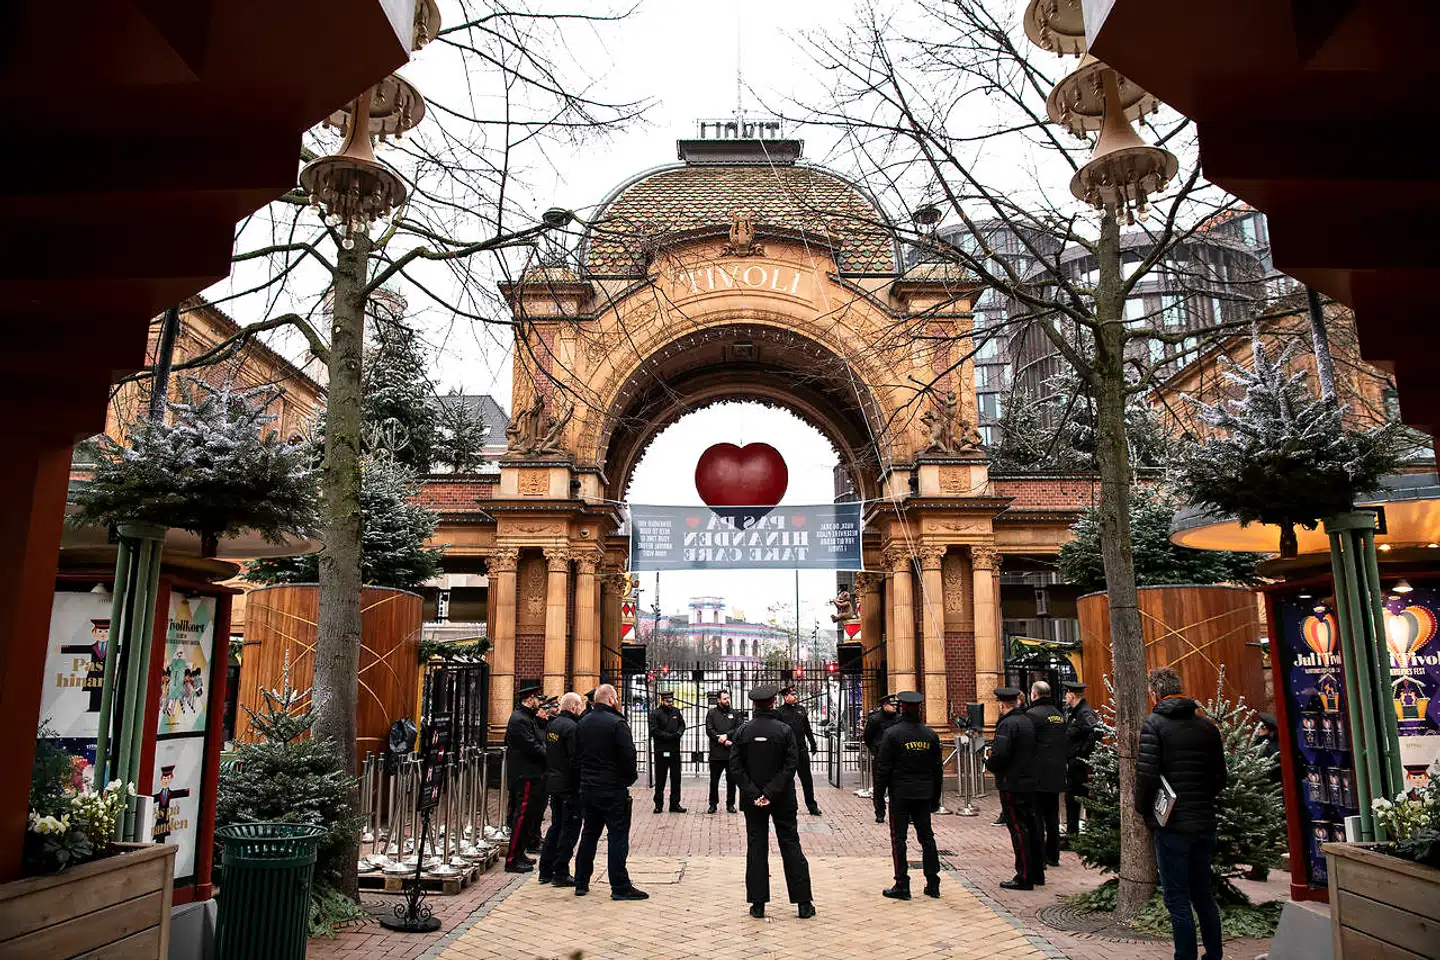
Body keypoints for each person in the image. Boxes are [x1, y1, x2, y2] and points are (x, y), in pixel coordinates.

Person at [1136, 667, 1227, 960]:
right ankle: (1214, 954)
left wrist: (1146, 811)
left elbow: (1147, 776)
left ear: (1154, 693)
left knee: (1176, 898)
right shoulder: (1206, 726)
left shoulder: (1154, 725)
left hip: (1172, 824)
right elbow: (1220, 777)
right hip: (1204, 820)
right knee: (1203, 893)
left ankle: (1184, 956)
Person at [729, 684, 815, 919]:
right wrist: (772, 791)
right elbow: (791, 765)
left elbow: (735, 767)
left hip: (753, 800)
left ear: (754, 705)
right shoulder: (784, 730)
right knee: (790, 845)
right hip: (783, 798)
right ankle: (803, 902)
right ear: (773, 703)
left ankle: (758, 903)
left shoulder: (743, 732)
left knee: (756, 847)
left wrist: (755, 793)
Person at [573, 684, 648, 900]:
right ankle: (620, 886)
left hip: (588, 787)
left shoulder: (583, 722)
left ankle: (581, 881)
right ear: (612, 700)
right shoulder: (617, 723)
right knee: (617, 836)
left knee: (589, 834)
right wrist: (627, 779)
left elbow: (576, 755)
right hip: (612, 789)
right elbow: (628, 756)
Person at [876, 691, 943, 900]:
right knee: (927, 837)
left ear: (901, 708)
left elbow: (883, 768)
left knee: (899, 839)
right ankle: (933, 882)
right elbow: (937, 770)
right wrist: (936, 797)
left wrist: (878, 795)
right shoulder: (930, 735)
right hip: (924, 793)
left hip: (901, 794)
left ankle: (902, 883)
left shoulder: (893, 734)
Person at [986, 686, 1044, 890]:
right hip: (1029, 781)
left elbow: (1000, 755)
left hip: (1012, 783)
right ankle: (1037, 872)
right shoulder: (1027, 721)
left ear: (1002, 704)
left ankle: (1024, 876)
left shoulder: (1007, 725)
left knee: (1019, 829)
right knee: (1032, 826)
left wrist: (989, 764)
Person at [537, 692, 584, 886]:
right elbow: (575, 759)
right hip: (568, 785)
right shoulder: (573, 728)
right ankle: (561, 870)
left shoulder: (553, 725)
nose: (581, 709)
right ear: (573, 707)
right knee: (569, 828)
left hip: (554, 782)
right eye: (580, 706)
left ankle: (545, 869)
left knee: (555, 826)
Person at [504, 682, 548, 872]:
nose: (539, 702)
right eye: (537, 698)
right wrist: (550, 755)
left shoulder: (527, 718)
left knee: (529, 815)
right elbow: (531, 746)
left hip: (532, 772)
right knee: (521, 816)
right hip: (524, 773)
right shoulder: (519, 719)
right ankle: (512, 858)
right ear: (530, 699)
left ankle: (520, 852)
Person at [1026, 681, 1067, 868]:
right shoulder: (1059, 715)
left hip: (1038, 773)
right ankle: (1054, 855)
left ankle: (1040, 857)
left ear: (1034, 695)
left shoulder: (1032, 715)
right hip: (1057, 772)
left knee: (1037, 817)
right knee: (1053, 816)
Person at [1062, 680, 1099, 846]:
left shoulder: (1084, 713)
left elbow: (1095, 733)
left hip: (1080, 765)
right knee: (1072, 799)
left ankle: (1080, 837)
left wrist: (1081, 754)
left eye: (1066, 694)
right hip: (1074, 763)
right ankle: (1073, 835)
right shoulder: (1075, 712)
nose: (1065, 697)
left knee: (1080, 799)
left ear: (1072, 695)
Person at [777, 684, 822, 816]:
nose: (795, 696)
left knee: (807, 780)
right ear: (785, 697)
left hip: (802, 750)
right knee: (787, 780)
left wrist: (813, 743)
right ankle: (789, 806)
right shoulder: (780, 712)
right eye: (792, 695)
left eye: (796, 694)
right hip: (787, 752)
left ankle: (812, 806)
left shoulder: (801, 710)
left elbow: (807, 728)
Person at [862, 695, 900, 823]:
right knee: (879, 788)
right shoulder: (875, 719)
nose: (895, 707)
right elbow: (867, 737)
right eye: (892, 705)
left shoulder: (899, 719)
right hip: (881, 758)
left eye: (896, 705)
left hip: (896, 758)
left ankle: (902, 813)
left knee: (897, 787)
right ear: (884, 705)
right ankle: (880, 812)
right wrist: (876, 749)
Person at [649, 689, 687, 814]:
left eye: (671, 701)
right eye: (667, 701)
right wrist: (668, 736)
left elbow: (682, 724)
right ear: (662, 700)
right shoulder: (655, 713)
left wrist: (679, 733)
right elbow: (654, 730)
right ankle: (658, 804)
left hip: (675, 749)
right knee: (660, 779)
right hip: (661, 750)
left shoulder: (676, 711)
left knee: (676, 778)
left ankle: (675, 804)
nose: (670, 703)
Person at [705, 690, 739, 814]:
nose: (727, 700)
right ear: (718, 700)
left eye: (728, 698)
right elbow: (709, 730)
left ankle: (730, 804)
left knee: (732, 781)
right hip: (716, 754)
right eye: (724, 698)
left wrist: (727, 735)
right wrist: (720, 739)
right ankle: (713, 804)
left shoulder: (734, 713)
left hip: (731, 753)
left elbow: (739, 728)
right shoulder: (712, 713)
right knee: (714, 781)